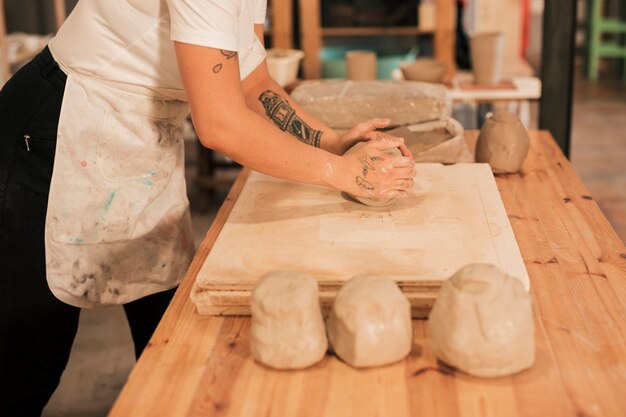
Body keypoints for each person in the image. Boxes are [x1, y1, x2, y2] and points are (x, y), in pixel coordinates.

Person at [0, 0, 415, 414]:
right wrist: (344, 174)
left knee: (168, 329)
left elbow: (253, 85)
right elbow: (220, 124)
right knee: (32, 357)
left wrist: (332, 143)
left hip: (139, 134)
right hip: (57, 124)